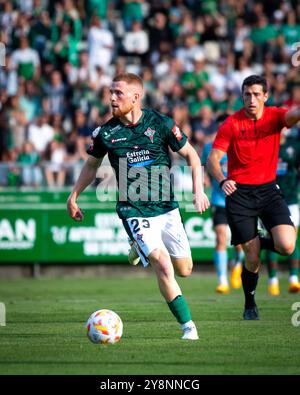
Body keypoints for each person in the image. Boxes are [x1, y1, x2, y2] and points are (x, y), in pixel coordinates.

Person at [67, 73, 210, 340]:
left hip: (167, 207)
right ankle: (188, 328)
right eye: (110, 92)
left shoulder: (161, 123)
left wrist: (198, 191)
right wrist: (74, 195)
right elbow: (91, 165)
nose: (111, 98)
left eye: (118, 93)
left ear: (136, 97)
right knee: (163, 265)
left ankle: (136, 246)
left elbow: (191, 153)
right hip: (134, 209)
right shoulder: (106, 132)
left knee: (185, 270)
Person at [206, 75, 300, 320]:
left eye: (257, 94)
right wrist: (223, 179)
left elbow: (294, 114)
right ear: (242, 96)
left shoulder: (276, 116)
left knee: (287, 245)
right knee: (252, 257)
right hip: (240, 194)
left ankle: (255, 240)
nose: (252, 99)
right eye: (247, 94)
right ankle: (250, 303)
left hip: (269, 190)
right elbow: (212, 160)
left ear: (266, 96)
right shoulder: (231, 124)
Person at [202, 114, 244, 294]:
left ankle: (238, 264)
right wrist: (203, 179)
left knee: (241, 244)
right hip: (219, 201)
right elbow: (203, 167)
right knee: (220, 238)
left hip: (240, 201)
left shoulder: (240, 145)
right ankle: (222, 281)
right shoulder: (208, 147)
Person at [266, 131, 300, 295]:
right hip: (270, 199)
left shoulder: (294, 146)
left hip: (291, 199)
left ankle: (294, 279)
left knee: (292, 239)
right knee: (272, 239)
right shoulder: (266, 144)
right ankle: (273, 280)